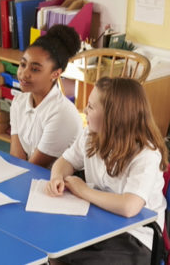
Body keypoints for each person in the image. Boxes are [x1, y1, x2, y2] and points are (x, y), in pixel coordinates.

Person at [47, 77, 168, 264]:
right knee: (53, 250)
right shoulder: (91, 134)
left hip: (136, 236)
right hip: (99, 223)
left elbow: (129, 207)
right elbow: (65, 161)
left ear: (114, 117)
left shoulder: (146, 155)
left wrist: (83, 190)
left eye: (91, 107)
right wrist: (57, 176)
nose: (85, 110)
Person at [10, 24, 82, 168]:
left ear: (55, 74)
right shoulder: (19, 101)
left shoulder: (62, 114)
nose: (24, 74)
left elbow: (34, 167)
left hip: (58, 184)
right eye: (23, 64)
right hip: (30, 176)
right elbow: (16, 159)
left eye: (35, 69)